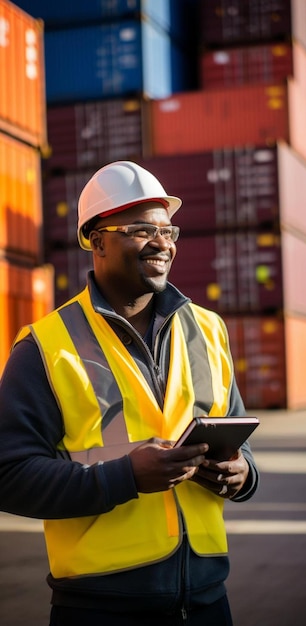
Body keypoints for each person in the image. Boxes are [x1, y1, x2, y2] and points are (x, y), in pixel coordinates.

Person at [0, 161, 259, 625]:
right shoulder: (44, 347)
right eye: (142, 229)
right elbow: (8, 476)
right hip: (100, 609)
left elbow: (241, 443)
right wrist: (126, 477)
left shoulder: (209, 330)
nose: (162, 243)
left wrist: (241, 474)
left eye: (169, 230)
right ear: (97, 240)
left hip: (206, 602)